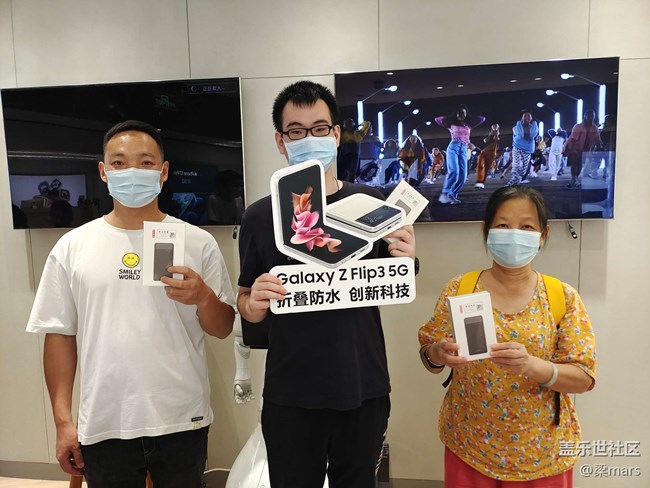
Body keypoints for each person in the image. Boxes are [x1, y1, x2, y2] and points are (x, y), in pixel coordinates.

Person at [26, 120, 236, 488]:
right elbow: (59, 335)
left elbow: (222, 328)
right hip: (105, 421)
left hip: (181, 418)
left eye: (146, 162)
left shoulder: (198, 242)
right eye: (120, 163)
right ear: (103, 172)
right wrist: (62, 422)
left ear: (163, 172)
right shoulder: (73, 247)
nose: (133, 172)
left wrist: (203, 297)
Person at [237, 81, 416, 488]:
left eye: (319, 129)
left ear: (336, 135)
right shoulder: (260, 217)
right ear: (281, 141)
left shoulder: (372, 204)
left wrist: (406, 258)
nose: (309, 139)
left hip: (363, 385)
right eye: (296, 131)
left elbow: (394, 278)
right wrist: (252, 303)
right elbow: (245, 299)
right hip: (291, 394)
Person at [418, 185, 596, 487]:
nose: (514, 234)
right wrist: (437, 353)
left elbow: (583, 378)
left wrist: (532, 366)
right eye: (502, 225)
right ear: (486, 230)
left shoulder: (562, 296)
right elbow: (429, 358)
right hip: (469, 447)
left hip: (542, 453)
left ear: (543, 235)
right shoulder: (460, 288)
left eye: (526, 227)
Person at [435, 104, 485, 204]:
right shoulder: (451, 124)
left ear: (466, 114)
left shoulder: (468, 125)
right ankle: (444, 194)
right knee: (454, 171)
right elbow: (437, 119)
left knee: (463, 176)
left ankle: (452, 194)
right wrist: (450, 117)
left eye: (463, 113)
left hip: (464, 149)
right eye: (459, 113)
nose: (461, 115)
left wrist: (469, 117)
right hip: (453, 147)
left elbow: (482, 118)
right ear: (456, 114)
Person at [563, 109, 602, 189]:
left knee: (580, 164)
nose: (590, 118)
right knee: (575, 163)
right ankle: (573, 179)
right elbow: (573, 139)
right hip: (575, 147)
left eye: (592, 116)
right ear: (585, 116)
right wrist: (573, 150)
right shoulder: (578, 126)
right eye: (589, 116)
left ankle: (575, 179)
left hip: (585, 149)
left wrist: (599, 148)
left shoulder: (594, 127)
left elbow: (597, 139)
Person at [507, 110, 539, 186]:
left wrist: (532, 125)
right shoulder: (516, 128)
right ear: (522, 118)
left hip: (527, 149)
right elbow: (520, 135)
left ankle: (517, 181)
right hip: (517, 148)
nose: (527, 117)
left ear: (531, 118)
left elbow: (533, 135)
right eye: (525, 116)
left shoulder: (534, 127)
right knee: (517, 164)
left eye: (529, 116)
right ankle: (513, 181)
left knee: (524, 168)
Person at [337, 117, 370, 183]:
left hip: (354, 155)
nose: (348, 125)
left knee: (352, 172)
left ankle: (351, 184)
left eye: (350, 123)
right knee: (341, 172)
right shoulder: (342, 134)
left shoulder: (358, 133)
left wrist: (360, 124)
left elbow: (367, 124)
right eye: (346, 124)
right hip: (345, 154)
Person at [475, 123, 500, 189]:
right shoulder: (491, 134)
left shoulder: (497, 135)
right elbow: (485, 140)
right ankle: (480, 181)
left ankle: (483, 181)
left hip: (491, 152)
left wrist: (496, 132)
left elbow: (496, 139)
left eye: (495, 127)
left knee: (488, 166)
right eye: (493, 127)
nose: (494, 128)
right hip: (486, 151)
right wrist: (492, 132)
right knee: (481, 165)